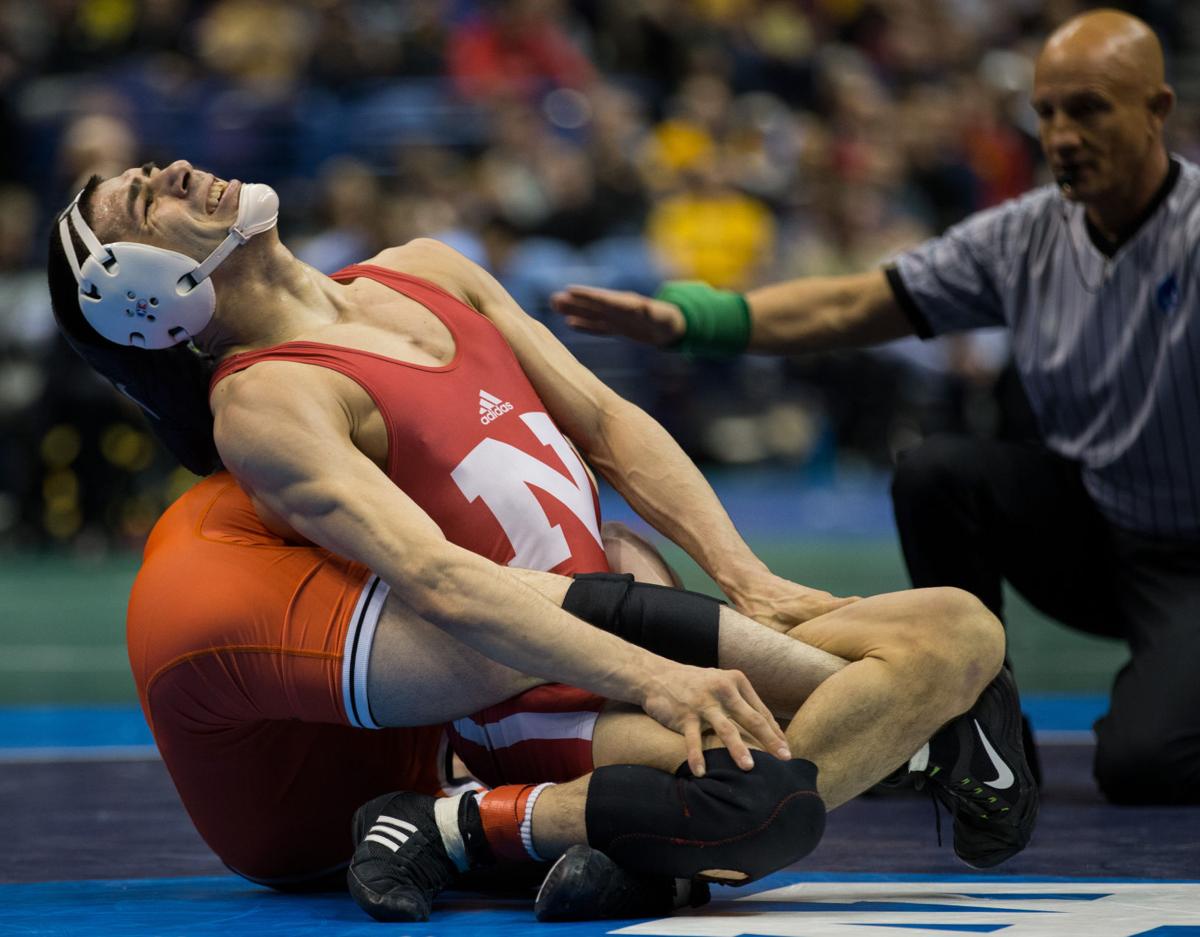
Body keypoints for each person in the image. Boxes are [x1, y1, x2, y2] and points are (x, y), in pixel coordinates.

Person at [47, 158, 1031, 922]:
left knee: (960, 628)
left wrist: (750, 579)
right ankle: (491, 817)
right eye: (143, 205)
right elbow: (438, 579)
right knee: (768, 792)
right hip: (540, 702)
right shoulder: (267, 400)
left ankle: (618, 852)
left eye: (155, 173)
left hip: (649, 631)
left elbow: (606, 422)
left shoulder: (425, 269)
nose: (174, 174)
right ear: (146, 295)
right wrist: (652, 678)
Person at [550, 9, 1200, 807]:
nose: (1062, 134)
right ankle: (978, 730)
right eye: (1048, 112)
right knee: (937, 474)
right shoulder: (1025, 234)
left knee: (1146, 766)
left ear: (1158, 110)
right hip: (1089, 527)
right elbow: (854, 304)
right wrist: (696, 320)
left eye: (1089, 108)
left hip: (1188, 556)